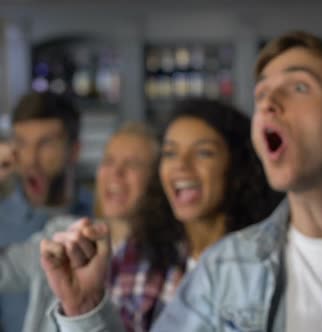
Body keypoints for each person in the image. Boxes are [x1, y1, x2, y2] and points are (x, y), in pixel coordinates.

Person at [41, 31, 322, 332]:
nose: (268, 103)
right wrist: (85, 309)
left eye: (299, 87)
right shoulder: (226, 268)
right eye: (262, 93)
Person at [42, 98, 283, 331]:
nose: (181, 165)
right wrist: (84, 309)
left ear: (238, 166)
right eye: (170, 153)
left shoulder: (264, 262)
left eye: (203, 153)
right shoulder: (138, 254)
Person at [0, 121, 158, 332]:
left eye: (133, 164)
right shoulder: (64, 237)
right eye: (108, 161)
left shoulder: (169, 261)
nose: (116, 173)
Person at [0, 91, 92, 332]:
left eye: (46, 144)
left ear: (74, 150)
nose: (30, 159)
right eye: (21, 143)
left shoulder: (98, 218)